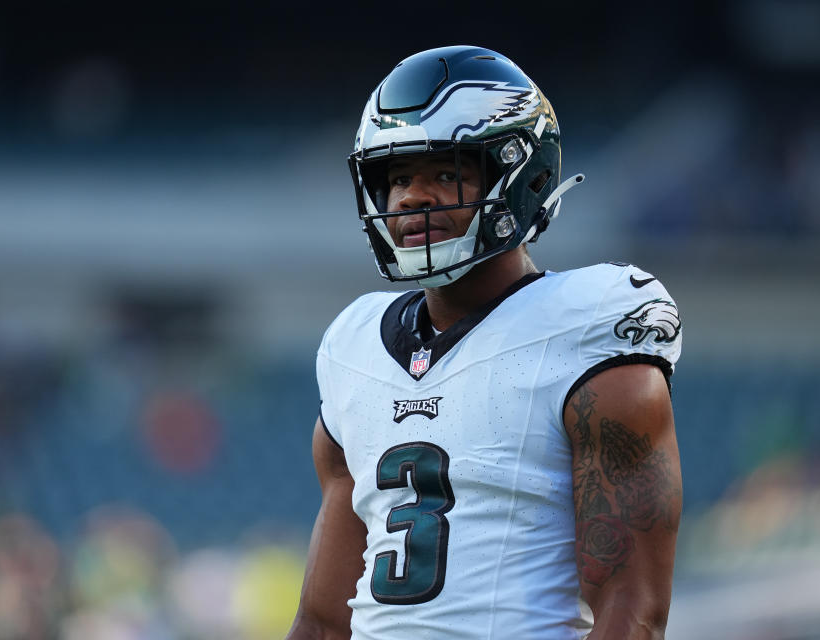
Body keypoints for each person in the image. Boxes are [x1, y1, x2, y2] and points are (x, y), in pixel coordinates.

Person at [287, 45, 683, 640]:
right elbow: (321, 621)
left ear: (524, 176)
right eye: (397, 178)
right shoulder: (353, 348)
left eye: (446, 173)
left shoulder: (587, 325)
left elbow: (633, 612)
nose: (413, 198)